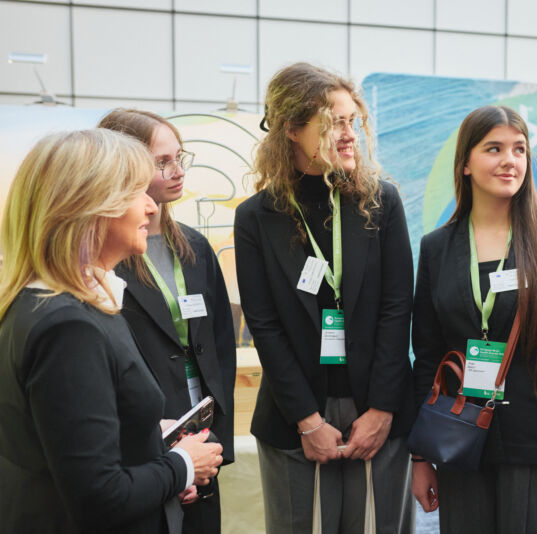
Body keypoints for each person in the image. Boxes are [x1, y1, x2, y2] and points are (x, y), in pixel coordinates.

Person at [0, 129, 224, 534]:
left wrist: (149, 441)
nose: (151, 206)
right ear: (90, 208)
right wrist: (182, 465)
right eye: (137, 193)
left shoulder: (59, 304)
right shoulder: (68, 327)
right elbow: (97, 496)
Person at [234, 62, 416, 532]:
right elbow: (264, 325)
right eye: (335, 123)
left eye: (353, 121)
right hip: (295, 415)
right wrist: (308, 420)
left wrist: (382, 410)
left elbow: (398, 309)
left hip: (376, 409)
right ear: (292, 129)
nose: (350, 134)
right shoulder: (256, 217)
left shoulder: (381, 202)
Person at [411, 105, 537, 533]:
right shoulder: (437, 248)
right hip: (460, 444)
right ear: (465, 163)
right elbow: (427, 357)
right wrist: (420, 456)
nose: (510, 160)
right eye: (494, 149)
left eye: (519, 149)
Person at [98, 109, 237, 534]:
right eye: (162, 162)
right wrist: (165, 456)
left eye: (180, 157)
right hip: (145, 439)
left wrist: (214, 441)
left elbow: (220, 345)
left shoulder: (195, 246)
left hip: (202, 430)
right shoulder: (111, 257)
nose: (178, 171)